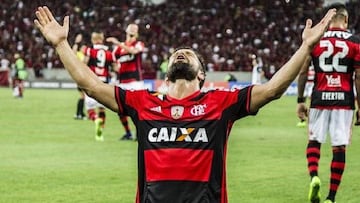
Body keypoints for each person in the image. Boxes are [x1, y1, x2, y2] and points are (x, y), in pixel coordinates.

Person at [34, 6, 336, 203]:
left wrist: (305, 47)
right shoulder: (142, 102)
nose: (181, 54)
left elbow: (272, 89)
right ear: (166, 71)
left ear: (202, 74)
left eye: (188, 53)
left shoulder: (222, 103)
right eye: (176, 53)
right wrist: (62, 44)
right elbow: (91, 85)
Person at [296, 3, 360, 203]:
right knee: (339, 147)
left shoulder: (317, 39)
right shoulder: (355, 42)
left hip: (319, 98)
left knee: (314, 141)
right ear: (346, 20)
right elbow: (359, 77)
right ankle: (331, 198)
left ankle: (314, 176)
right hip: (344, 100)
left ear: (328, 19)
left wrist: (300, 100)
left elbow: (303, 71)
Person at [106, 23, 145, 140]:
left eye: (135, 28)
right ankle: (128, 133)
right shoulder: (119, 48)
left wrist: (118, 43)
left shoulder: (138, 43)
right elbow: (113, 60)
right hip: (122, 81)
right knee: (120, 109)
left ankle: (140, 133)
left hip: (136, 82)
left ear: (137, 32)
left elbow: (134, 52)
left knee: (139, 109)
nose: (133, 28)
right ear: (126, 30)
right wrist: (114, 68)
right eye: (131, 27)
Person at [81, 31, 118, 141]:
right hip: (104, 83)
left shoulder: (90, 50)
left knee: (90, 110)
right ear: (102, 39)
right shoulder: (109, 53)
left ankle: (95, 119)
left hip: (92, 82)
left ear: (93, 40)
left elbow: (84, 64)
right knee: (102, 108)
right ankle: (100, 134)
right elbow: (116, 68)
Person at [72, 33, 87, 120]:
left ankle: (80, 114)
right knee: (83, 97)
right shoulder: (79, 54)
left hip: (83, 77)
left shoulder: (86, 56)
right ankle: (79, 114)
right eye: (83, 47)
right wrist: (76, 42)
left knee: (83, 97)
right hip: (80, 77)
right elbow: (73, 52)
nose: (84, 49)